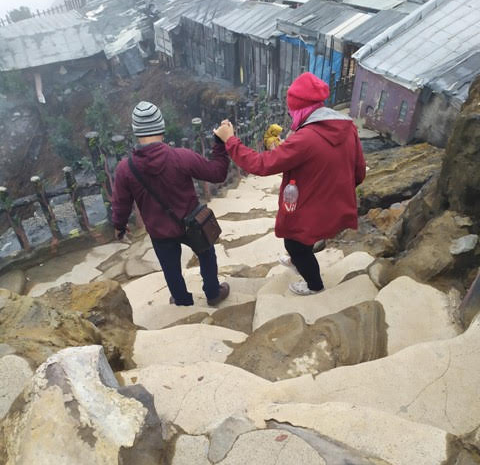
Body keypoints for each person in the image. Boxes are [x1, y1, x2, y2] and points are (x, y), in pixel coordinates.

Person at [214, 72, 366, 296]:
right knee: (301, 241)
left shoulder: (305, 138)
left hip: (311, 202)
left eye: (292, 109)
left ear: (299, 108)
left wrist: (230, 140)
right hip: (334, 199)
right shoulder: (346, 127)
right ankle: (299, 262)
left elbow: (260, 165)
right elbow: (359, 170)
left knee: (295, 243)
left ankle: (314, 285)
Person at [112, 101, 230, 306]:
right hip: (191, 223)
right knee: (206, 254)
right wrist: (220, 143)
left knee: (171, 269)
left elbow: (121, 204)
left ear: (135, 131)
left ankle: (182, 300)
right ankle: (213, 293)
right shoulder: (181, 157)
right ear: (161, 126)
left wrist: (119, 227)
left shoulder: (125, 169)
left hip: (160, 232)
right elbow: (217, 173)